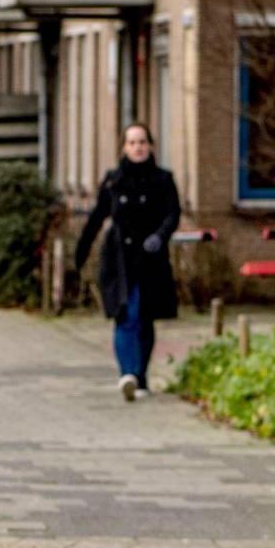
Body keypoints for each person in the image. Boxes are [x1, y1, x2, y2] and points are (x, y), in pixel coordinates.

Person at [73, 123, 181, 402]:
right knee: (126, 314)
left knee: (145, 318)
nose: (138, 147)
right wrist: (81, 252)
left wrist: (160, 236)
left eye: (143, 141)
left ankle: (141, 375)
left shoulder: (162, 179)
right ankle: (127, 374)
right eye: (132, 142)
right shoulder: (114, 180)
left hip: (150, 258)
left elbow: (173, 214)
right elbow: (98, 217)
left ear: (151, 145)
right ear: (124, 147)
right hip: (120, 259)